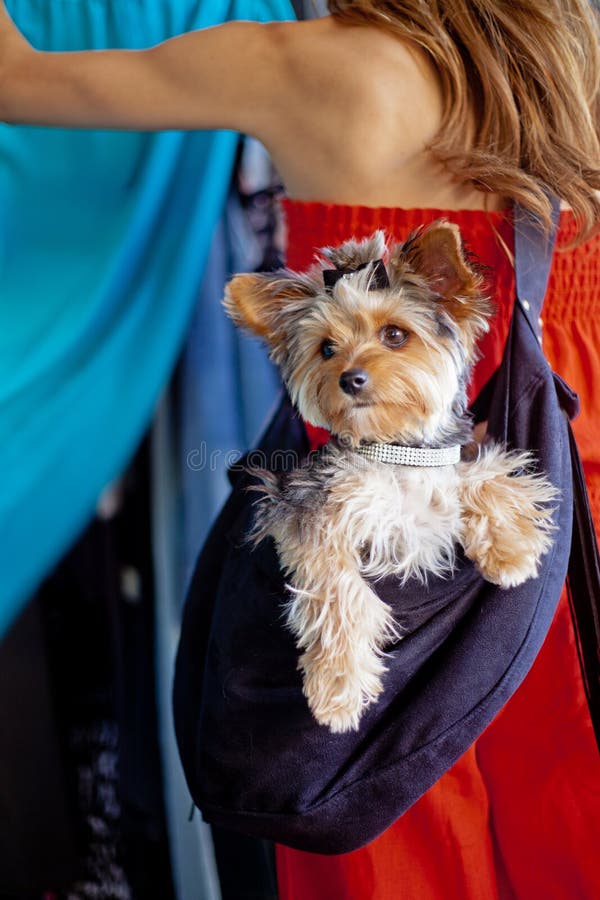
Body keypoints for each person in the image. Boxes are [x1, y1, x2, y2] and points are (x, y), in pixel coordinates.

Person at [2, 1, 600, 897]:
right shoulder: (569, 58)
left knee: (386, 824)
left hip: (372, 537)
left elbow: (15, 79)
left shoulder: (296, 64)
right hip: (575, 477)